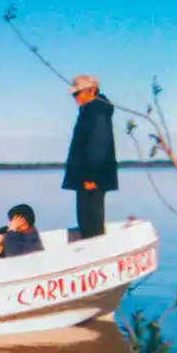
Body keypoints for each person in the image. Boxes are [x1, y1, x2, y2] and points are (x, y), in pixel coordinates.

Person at [62, 75, 118, 239]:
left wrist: (91, 177)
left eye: (78, 93)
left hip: (91, 179)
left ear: (92, 90)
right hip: (86, 178)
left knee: (92, 224)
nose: (76, 97)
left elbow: (98, 145)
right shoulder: (89, 110)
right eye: (74, 94)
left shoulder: (97, 111)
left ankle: (97, 256)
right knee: (86, 223)